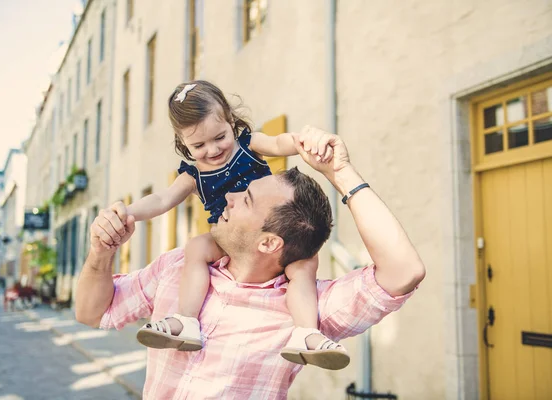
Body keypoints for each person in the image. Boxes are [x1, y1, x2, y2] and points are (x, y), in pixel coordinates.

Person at [75, 127, 425, 399]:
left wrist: (341, 172)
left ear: (270, 242)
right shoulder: (178, 267)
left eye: (246, 199)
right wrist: (101, 252)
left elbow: (404, 271)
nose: (227, 195)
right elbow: (93, 312)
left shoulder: (306, 308)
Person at [112, 80, 346, 369]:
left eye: (220, 137)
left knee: (305, 264)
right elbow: (162, 199)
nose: (212, 150)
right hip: (229, 240)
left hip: (270, 235)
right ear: (182, 142)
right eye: (198, 145)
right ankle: (186, 320)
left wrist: (304, 143)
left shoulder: (248, 145)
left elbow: (278, 143)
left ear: (231, 122)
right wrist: (129, 211)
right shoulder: (193, 175)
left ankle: (306, 333)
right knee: (196, 247)